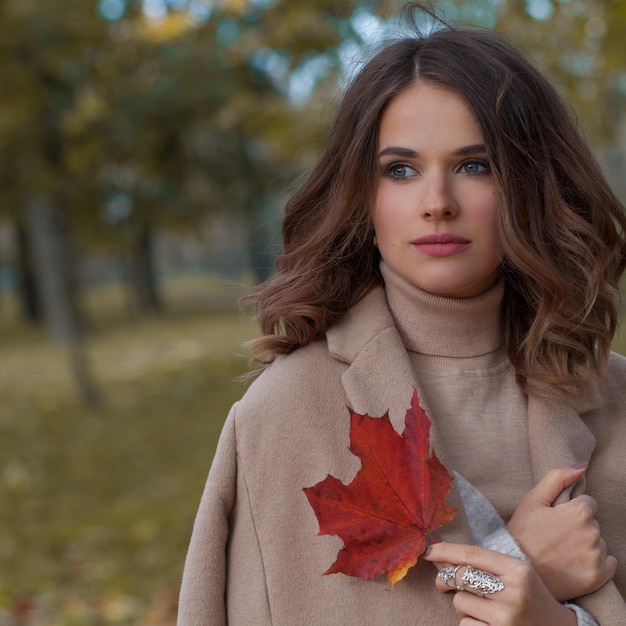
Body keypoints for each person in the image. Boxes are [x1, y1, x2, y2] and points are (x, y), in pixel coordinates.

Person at [178, 7, 626, 625]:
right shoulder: (281, 417)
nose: (437, 203)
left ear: (530, 182)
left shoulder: (617, 399)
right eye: (401, 170)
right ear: (365, 196)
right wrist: (516, 563)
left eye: (475, 165)